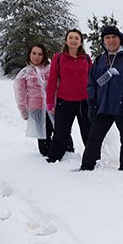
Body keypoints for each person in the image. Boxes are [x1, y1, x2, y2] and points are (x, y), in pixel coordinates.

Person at [80, 26, 123, 171]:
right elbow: (91, 82)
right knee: (94, 138)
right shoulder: (99, 59)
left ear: (120, 38)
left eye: (114, 37)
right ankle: (87, 166)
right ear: (103, 42)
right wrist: (91, 102)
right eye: (107, 38)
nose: (111, 40)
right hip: (103, 106)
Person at [45, 28, 92, 163]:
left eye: (76, 38)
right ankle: (54, 158)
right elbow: (52, 81)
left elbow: (92, 80)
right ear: (66, 40)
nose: (73, 40)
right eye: (71, 37)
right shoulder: (58, 58)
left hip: (84, 102)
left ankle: (92, 158)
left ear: (81, 42)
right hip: (64, 101)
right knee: (61, 132)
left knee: (88, 133)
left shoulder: (86, 58)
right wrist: (50, 102)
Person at [13, 44, 53, 156]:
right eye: (34, 53)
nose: (36, 56)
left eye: (40, 54)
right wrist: (23, 111)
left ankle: (67, 154)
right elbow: (20, 93)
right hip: (36, 108)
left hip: (52, 106)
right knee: (43, 136)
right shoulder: (24, 73)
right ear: (29, 55)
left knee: (60, 132)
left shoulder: (50, 69)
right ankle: (47, 160)